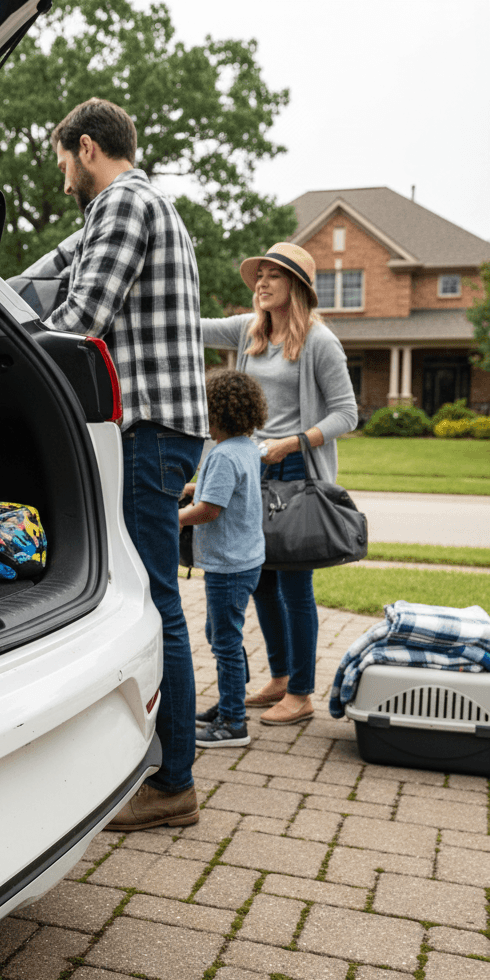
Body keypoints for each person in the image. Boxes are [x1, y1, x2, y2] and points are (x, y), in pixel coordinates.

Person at [39, 98, 209, 829]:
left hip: (152, 432)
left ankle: (173, 782)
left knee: (156, 599)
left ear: (85, 148)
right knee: (153, 591)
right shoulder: (141, 207)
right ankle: (163, 760)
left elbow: (79, 319)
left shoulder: (121, 205)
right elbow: (52, 268)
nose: (63, 180)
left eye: (62, 164)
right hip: (168, 429)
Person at [201, 242, 358, 725]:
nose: (262, 283)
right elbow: (190, 326)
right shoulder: (249, 331)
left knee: (294, 585)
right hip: (254, 468)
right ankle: (282, 678)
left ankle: (304, 693)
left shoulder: (319, 341)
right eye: (259, 275)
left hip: (295, 470)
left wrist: (294, 443)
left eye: (274, 275)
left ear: (297, 286)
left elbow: (346, 414)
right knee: (262, 581)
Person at [179, 370, 268, 747]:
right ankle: (232, 700)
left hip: (227, 565)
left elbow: (210, 510)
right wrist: (188, 488)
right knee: (219, 634)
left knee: (224, 641)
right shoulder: (246, 447)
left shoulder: (222, 455)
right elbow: (217, 489)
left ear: (217, 414)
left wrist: (174, 518)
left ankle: (233, 722)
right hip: (247, 560)